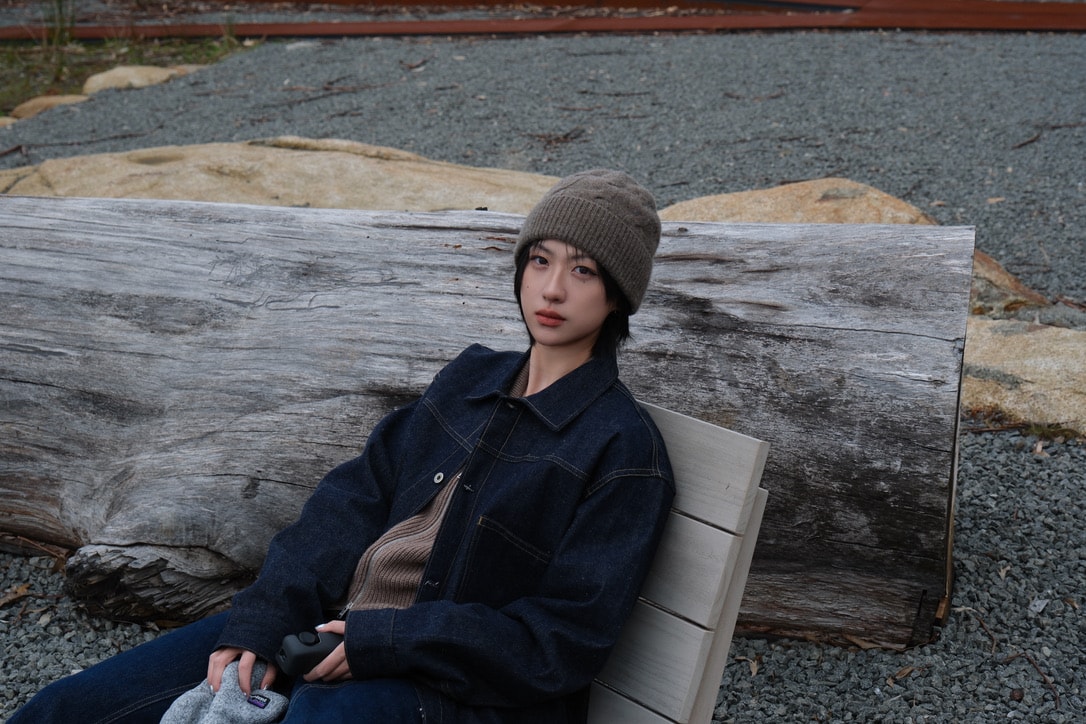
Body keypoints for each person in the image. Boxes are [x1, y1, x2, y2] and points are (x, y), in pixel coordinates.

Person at [10, 169, 675, 724]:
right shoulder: (470, 382)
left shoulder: (619, 449)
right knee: (68, 709)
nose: (552, 288)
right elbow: (349, 503)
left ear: (618, 296)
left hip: (456, 690)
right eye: (540, 259)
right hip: (326, 634)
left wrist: (387, 640)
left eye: (583, 270)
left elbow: (558, 641)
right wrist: (267, 620)